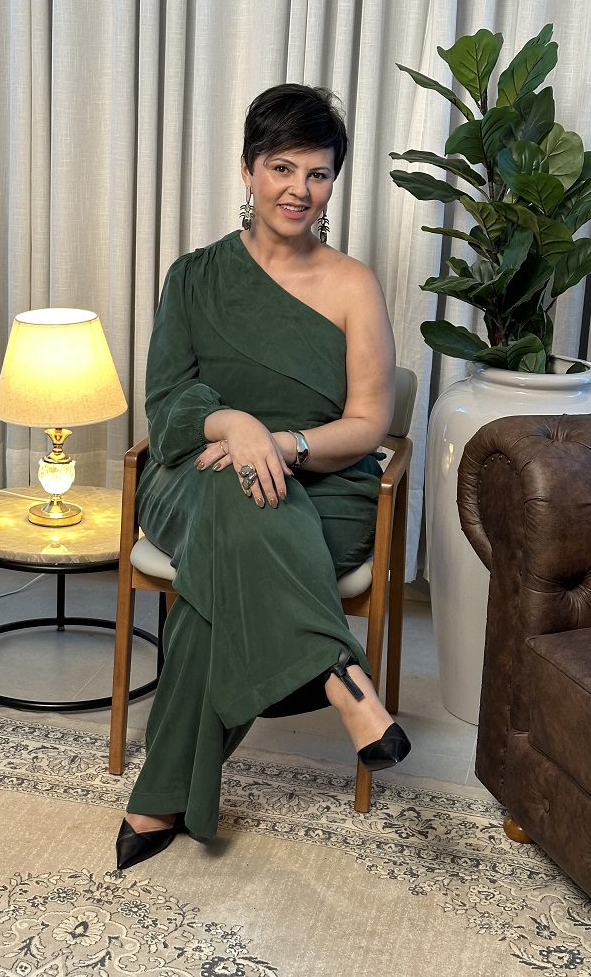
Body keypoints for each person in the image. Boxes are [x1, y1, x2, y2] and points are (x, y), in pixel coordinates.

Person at [116, 83, 410, 871]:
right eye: (282, 168)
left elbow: (368, 422)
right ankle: (339, 674)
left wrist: (281, 443)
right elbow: (166, 404)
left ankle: (161, 796)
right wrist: (234, 425)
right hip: (194, 474)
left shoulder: (353, 285)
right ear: (248, 170)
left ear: (333, 182)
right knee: (231, 490)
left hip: (324, 484)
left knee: (219, 572)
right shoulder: (193, 276)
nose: (299, 190)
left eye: (318, 174)